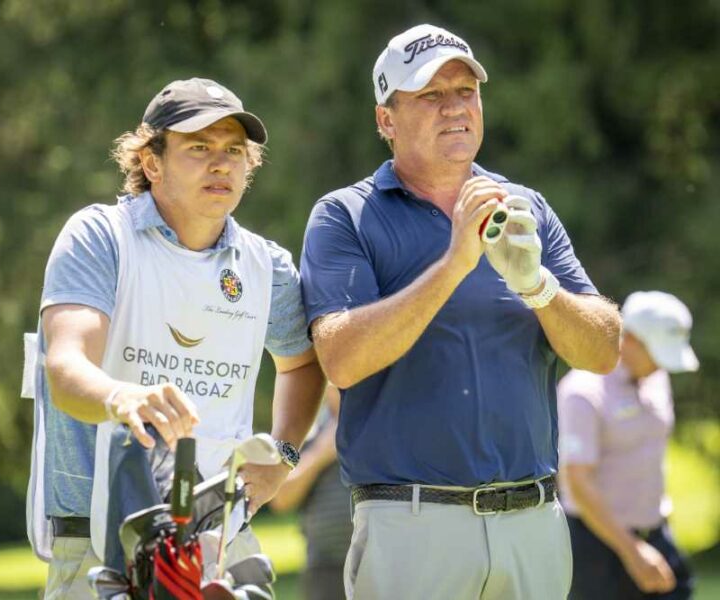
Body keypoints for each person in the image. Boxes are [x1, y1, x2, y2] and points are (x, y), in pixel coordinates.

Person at [299, 23, 622, 600]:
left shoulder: (528, 210)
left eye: (466, 91)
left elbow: (602, 350)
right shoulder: (344, 216)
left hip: (534, 523)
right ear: (386, 120)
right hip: (413, 528)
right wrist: (454, 262)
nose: (455, 109)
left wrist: (538, 286)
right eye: (430, 95)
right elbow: (343, 359)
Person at [24, 77, 325, 599]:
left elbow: (302, 363)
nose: (222, 163)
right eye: (199, 147)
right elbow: (66, 365)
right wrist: (123, 397)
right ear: (152, 162)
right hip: (98, 546)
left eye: (235, 150)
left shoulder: (266, 266)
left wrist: (284, 456)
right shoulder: (100, 237)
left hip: (218, 546)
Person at [558, 291, 698, 599]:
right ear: (630, 339)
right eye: (657, 353)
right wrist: (632, 550)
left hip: (654, 531)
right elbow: (577, 481)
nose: (663, 365)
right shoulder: (582, 391)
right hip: (596, 545)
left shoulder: (655, 378)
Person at [269, 385, 353, 600]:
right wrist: (321, 453)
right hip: (324, 566)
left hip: (377, 559)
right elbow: (279, 498)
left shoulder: (378, 425)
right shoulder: (306, 431)